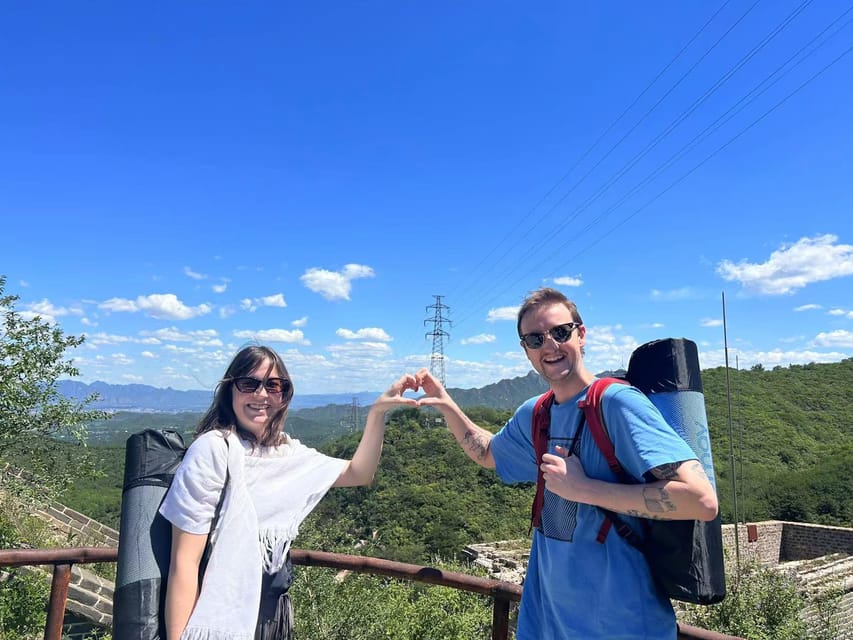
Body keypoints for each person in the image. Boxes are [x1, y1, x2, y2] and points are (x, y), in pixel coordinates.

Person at [415, 287, 718, 640]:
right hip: (546, 621)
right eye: (535, 338)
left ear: (581, 333)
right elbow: (487, 453)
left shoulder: (616, 405)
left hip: (622, 624)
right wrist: (446, 403)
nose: (549, 345)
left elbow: (701, 500)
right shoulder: (536, 414)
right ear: (525, 349)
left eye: (560, 331)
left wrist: (584, 489)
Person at [159, 344, 418, 640]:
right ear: (230, 390)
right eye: (249, 383)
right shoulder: (212, 450)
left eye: (274, 385)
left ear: (284, 395)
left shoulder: (286, 452)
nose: (261, 394)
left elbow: (359, 473)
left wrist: (377, 412)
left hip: (274, 617)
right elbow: (184, 563)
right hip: (221, 620)